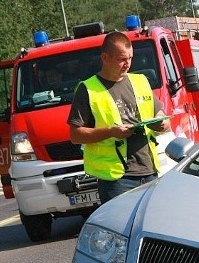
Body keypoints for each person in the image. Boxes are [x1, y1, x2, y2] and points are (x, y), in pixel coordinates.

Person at [68, 31, 170, 204]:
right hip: (116, 179)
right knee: (121, 229)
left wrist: (162, 123)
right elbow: (75, 136)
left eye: (130, 58)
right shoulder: (88, 89)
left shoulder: (140, 81)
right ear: (105, 58)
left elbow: (159, 114)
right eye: (122, 59)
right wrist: (111, 132)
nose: (127, 64)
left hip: (149, 170)